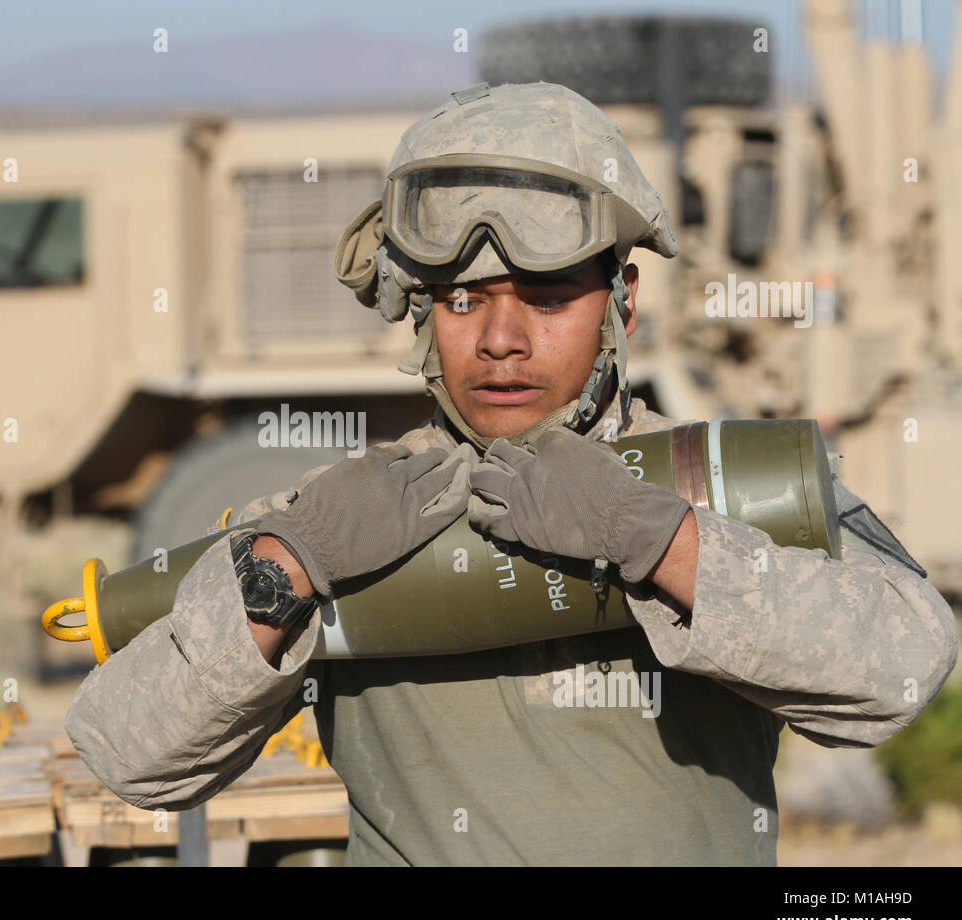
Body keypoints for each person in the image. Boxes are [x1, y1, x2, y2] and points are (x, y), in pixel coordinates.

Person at [65, 82, 958, 865]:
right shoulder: (335, 521)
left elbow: (905, 668)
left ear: (623, 303)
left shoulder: (713, 485)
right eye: (462, 299)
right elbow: (130, 755)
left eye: (548, 298)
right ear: (418, 313)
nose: (501, 341)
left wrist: (661, 542)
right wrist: (287, 573)